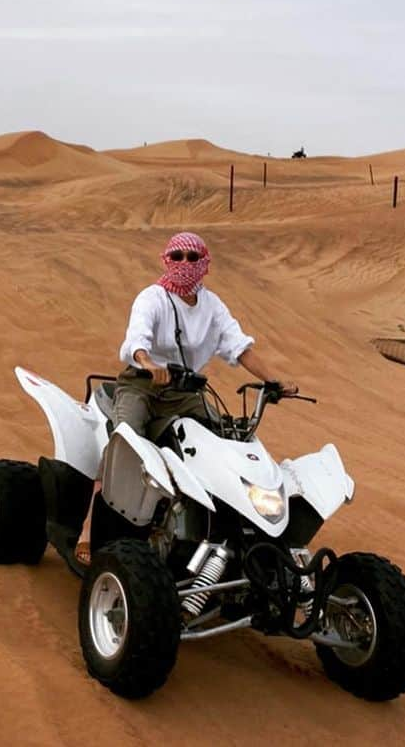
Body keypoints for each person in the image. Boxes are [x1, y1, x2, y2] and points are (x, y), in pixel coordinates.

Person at [74, 231, 299, 566]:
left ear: (204, 263)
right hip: (143, 386)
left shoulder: (212, 306)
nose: (184, 264)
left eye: (192, 257)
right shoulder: (152, 298)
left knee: (226, 440)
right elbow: (137, 338)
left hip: (185, 393)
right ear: (167, 260)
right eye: (177, 256)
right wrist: (148, 363)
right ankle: (89, 533)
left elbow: (240, 347)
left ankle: (227, 527)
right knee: (124, 444)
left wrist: (273, 381)